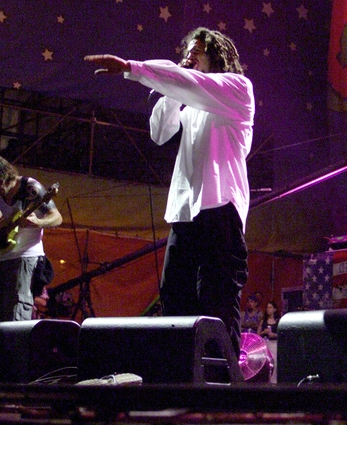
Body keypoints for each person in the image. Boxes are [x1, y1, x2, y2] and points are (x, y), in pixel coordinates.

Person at [84, 27, 254, 357]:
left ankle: (223, 389)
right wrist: (172, 89)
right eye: (187, 50)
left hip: (220, 208)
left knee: (217, 301)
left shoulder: (237, 89)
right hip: (185, 212)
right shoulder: (189, 103)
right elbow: (159, 132)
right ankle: (183, 382)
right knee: (175, 298)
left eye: (198, 50)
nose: (189, 55)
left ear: (217, 54)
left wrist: (133, 68)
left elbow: (194, 84)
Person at [0, 155, 63, 325]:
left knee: (16, 310)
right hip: (3, 256)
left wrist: (39, 222)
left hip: (26, 256)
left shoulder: (29, 187)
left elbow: (57, 217)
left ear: (8, 175)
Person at [257, 300, 280, 383]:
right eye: (267, 307)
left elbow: (281, 334)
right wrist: (264, 332)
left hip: (274, 344)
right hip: (265, 344)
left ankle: (274, 381)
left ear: (274, 309)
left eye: (270, 307)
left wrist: (274, 335)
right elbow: (258, 334)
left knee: (274, 363)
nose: (268, 309)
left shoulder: (278, 321)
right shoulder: (263, 321)